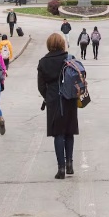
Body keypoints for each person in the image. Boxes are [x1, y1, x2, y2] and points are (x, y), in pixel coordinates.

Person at [37, 33, 79, 179]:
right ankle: (70, 164)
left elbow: (41, 86)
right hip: (69, 98)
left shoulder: (43, 62)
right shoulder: (69, 59)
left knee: (58, 134)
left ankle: (61, 168)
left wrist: (48, 96)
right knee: (69, 132)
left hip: (54, 100)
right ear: (62, 44)